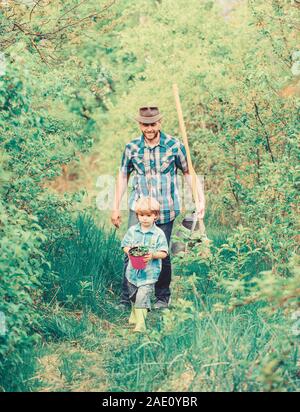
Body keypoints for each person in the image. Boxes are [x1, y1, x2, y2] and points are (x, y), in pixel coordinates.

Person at [111, 106, 205, 308]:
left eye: (153, 124)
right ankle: (127, 298)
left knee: (162, 253)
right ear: (140, 124)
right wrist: (115, 207)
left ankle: (162, 297)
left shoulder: (174, 145)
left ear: (159, 123)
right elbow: (122, 176)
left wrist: (200, 199)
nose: (149, 128)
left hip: (165, 209)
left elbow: (189, 173)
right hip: (139, 209)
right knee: (132, 251)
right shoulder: (132, 148)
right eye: (145, 124)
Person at [121, 196, 168, 332]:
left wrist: (153, 255)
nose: (145, 218)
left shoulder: (158, 234)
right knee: (134, 295)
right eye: (141, 215)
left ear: (155, 216)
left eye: (148, 215)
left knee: (143, 296)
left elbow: (164, 253)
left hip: (149, 273)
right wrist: (129, 251)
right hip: (132, 271)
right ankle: (134, 313)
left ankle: (141, 325)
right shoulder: (132, 231)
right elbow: (124, 245)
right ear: (137, 216)